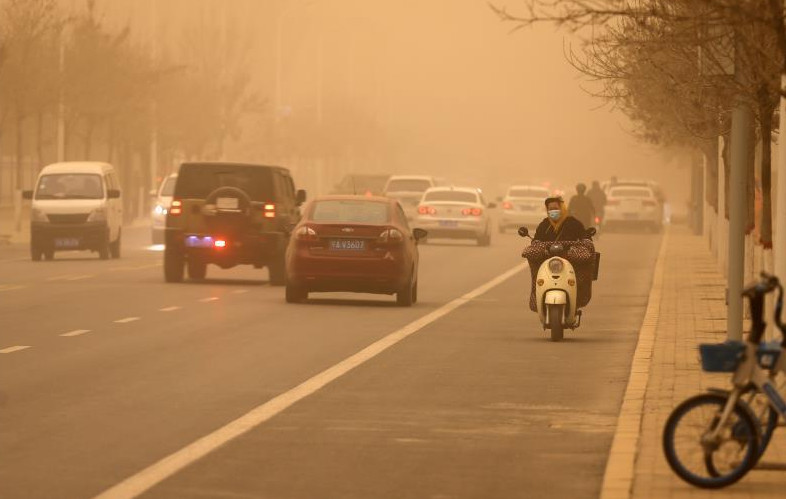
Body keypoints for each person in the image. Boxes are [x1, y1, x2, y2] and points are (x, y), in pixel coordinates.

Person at [523, 196, 596, 311]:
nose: (553, 212)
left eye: (556, 208)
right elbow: (536, 240)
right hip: (548, 262)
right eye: (550, 209)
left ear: (562, 208)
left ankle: (577, 298)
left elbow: (584, 238)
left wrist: (583, 243)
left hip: (571, 262)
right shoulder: (544, 225)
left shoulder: (573, 223)